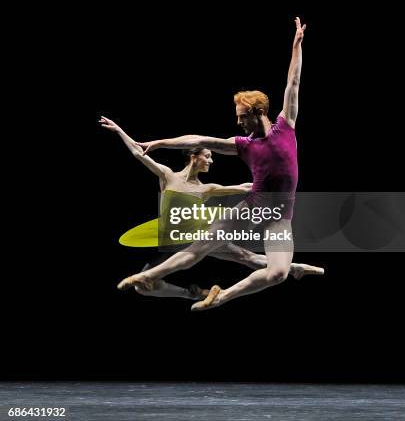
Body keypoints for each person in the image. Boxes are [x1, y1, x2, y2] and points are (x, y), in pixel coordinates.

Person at [100, 113, 323, 300]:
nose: (211, 160)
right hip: (171, 240)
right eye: (207, 155)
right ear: (193, 157)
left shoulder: (208, 188)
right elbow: (139, 153)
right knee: (142, 286)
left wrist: (278, 177)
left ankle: (294, 267)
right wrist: (120, 131)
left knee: (246, 257)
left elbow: (247, 186)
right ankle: (193, 293)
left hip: (197, 239)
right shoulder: (168, 176)